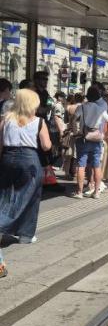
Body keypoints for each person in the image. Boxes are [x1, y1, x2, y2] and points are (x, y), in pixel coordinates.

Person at [0, 89, 51, 276]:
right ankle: (25, 235)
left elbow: (0, 144)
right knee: (30, 196)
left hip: (7, 158)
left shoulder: (5, 120)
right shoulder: (38, 122)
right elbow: (46, 146)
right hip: (29, 160)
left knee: (6, 194)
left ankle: (7, 228)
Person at [72, 85, 108, 199]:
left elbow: (73, 119)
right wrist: (105, 136)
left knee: (81, 165)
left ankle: (79, 192)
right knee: (96, 166)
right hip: (97, 139)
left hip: (84, 138)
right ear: (98, 96)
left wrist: (75, 132)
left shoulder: (82, 107)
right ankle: (96, 192)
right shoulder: (101, 109)